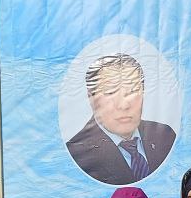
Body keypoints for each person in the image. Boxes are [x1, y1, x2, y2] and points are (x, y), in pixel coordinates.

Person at [65, 53, 176, 185]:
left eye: (132, 91)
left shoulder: (165, 136)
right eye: (111, 92)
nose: (123, 105)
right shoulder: (77, 156)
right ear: (91, 97)